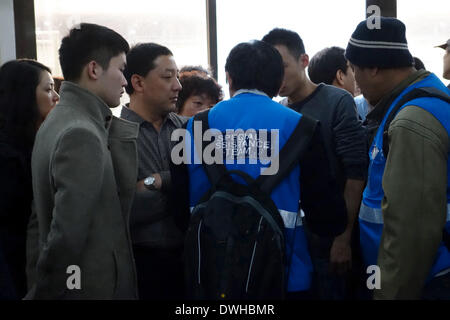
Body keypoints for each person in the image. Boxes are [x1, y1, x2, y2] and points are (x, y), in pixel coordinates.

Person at [170, 39, 347, 299]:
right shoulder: (304, 128)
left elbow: (178, 213)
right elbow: (327, 219)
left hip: (208, 275)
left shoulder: (188, 129)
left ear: (229, 78)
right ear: (278, 83)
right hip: (285, 276)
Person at [26, 23, 139, 299]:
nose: (125, 81)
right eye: (121, 69)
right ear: (94, 69)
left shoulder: (58, 119)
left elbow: (38, 221)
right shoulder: (81, 132)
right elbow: (66, 233)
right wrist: (44, 290)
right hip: (91, 286)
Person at [345, 17, 450, 299]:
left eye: (355, 70)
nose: (355, 80)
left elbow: (411, 232)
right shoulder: (415, 101)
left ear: (375, 67)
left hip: (426, 282)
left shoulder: (412, 121)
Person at [262, 28, 368, 300]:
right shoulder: (278, 112)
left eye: (283, 66)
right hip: (288, 238)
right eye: (271, 68)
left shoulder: (336, 101)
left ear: (304, 61)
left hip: (328, 235)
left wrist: (343, 239)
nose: (277, 76)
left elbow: (356, 173)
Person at [121, 43, 186, 300]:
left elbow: (202, 192)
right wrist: (179, 186)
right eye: (168, 77)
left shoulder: (188, 129)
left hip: (189, 256)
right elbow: (126, 207)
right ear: (138, 82)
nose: (178, 86)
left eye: (177, 76)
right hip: (140, 261)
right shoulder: (114, 135)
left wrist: (156, 181)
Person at [0, 59, 59, 299]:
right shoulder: (6, 156)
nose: (56, 96)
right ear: (23, 95)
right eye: (48, 89)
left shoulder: (39, 143)